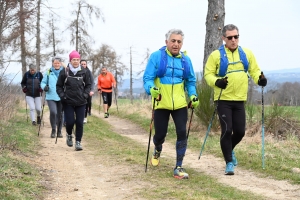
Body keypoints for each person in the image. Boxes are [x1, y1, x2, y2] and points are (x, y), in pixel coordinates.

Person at [204, 24, 267, 175]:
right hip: (223, 99)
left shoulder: (246, 53)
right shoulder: (216, 55)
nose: (233, 40)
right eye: (230, 37)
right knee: (227, 130)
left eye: (236, 36)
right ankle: (228, 163)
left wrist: (260, 79)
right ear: (223, 38)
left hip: (239, 99)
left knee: (239, 132)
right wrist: (217, 82)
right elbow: (208, 74)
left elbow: (254, 70)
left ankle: (229, 150)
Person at [143, 29, 199, 179]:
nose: (176, 44)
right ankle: (157, 148)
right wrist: (151, 89)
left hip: (180, 104)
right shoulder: (156, 57)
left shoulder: (186, 60)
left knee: (182, 132)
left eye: (179, 41)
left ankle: (179, 167)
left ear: (182, 43)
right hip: (161, 102)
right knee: (160, 134)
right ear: (166, 42)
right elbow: (147, 78)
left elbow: (191, 81)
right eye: (173, 41)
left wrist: (193, 95)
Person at [56, 50, 91, 151]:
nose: (76, 61)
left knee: (80, 122)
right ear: (70, 60)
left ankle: (78, 142)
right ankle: (69, 134)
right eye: (74, 60)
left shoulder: (85, 72)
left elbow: (88, 85)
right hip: (68, 102)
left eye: (77, 60)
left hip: (81, 102)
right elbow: (59, 86)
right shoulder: (65, 72)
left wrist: (85, 95)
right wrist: (63, 96)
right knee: (70, 122)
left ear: (79, 61)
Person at [41, 56, 64, 138]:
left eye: (58, 63)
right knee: (53, 112)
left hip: (62, 96)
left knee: (60, 114)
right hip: (51, 96)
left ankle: (59, 131)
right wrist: (44, 87)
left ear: (60, 63)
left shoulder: (64, 72)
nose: (57, 64)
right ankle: (54, 129)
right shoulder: (48, 72)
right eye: (55, 63)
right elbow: (43, 82)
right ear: (52, 63)